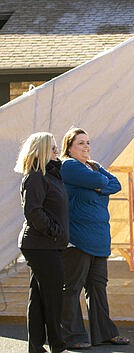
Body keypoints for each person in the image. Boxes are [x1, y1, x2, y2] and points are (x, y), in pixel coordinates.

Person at [59, 128, 130, 349]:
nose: (86, 147)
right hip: (79, 238)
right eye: (80, 143)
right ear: (69, 147)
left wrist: (98, 178)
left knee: (98, 287)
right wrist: (99, 182)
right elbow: (101, 181)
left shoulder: (93, 166)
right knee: (73, 288)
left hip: (99, 239)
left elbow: (115, 184)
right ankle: (73, 336)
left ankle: (104, 333)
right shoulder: (68, 166)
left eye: (88, 142)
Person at [15, 132, 70, 353]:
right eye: (53, 148)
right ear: (42, 151)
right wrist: (55, 231)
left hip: (47, 244)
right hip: (40, 245)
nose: (58, 152)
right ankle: (57, 345)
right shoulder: (35, 177)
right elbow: (33, 211)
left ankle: (36, 347)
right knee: (54, 295)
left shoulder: (52, 175)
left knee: (38, 297)